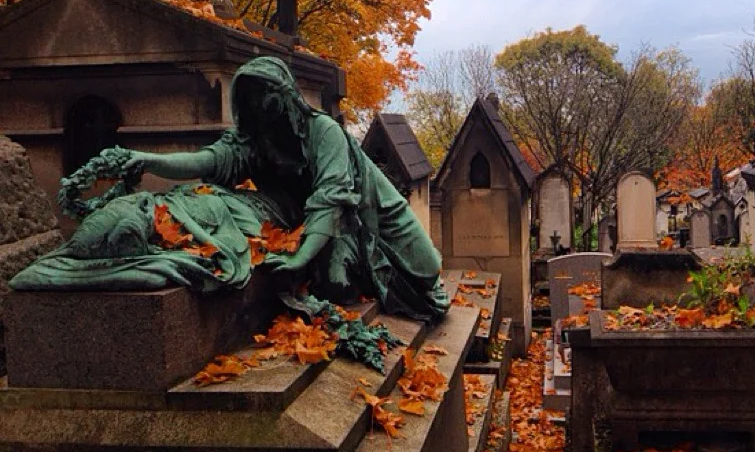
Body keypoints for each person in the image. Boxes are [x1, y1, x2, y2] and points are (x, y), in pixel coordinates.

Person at [11, 56, 449, 323]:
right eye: (252, 99)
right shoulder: (252, 137)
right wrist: (148, 160)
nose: (260, 107)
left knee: (425, 270)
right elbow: (207, 162)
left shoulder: (323, 133)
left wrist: (300, 256)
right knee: (329, 276)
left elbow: (329, 201)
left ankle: (359, 262)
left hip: (368, 213)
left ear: (286, 96)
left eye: (267, 96)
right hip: (299, 218)